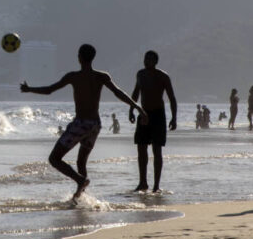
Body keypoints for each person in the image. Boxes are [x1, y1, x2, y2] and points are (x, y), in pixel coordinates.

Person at [21, 43, 147, 199]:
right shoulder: (102, 76)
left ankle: (80, 180)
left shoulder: (73, 76)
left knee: (54, 159)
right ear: (93, 58)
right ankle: (82, 197)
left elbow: (49, 90)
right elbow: (118, 93)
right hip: (95, 125)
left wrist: (29, 89)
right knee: (81, 162)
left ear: (79, 58)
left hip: (81, 124)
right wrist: (137, 107)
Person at [128, 50, 177, 192]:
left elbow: (172, 98)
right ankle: (142, 182)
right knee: (141, 148)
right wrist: (131, 109)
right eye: (145, 58)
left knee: (157, 149)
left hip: (158, 115)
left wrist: (174, 118)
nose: (146, 61)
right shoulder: (140, 74)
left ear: (155, 62)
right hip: (143, 114)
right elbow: (136, 92)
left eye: (150, 59)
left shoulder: (163, 76)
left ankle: (156, 185)